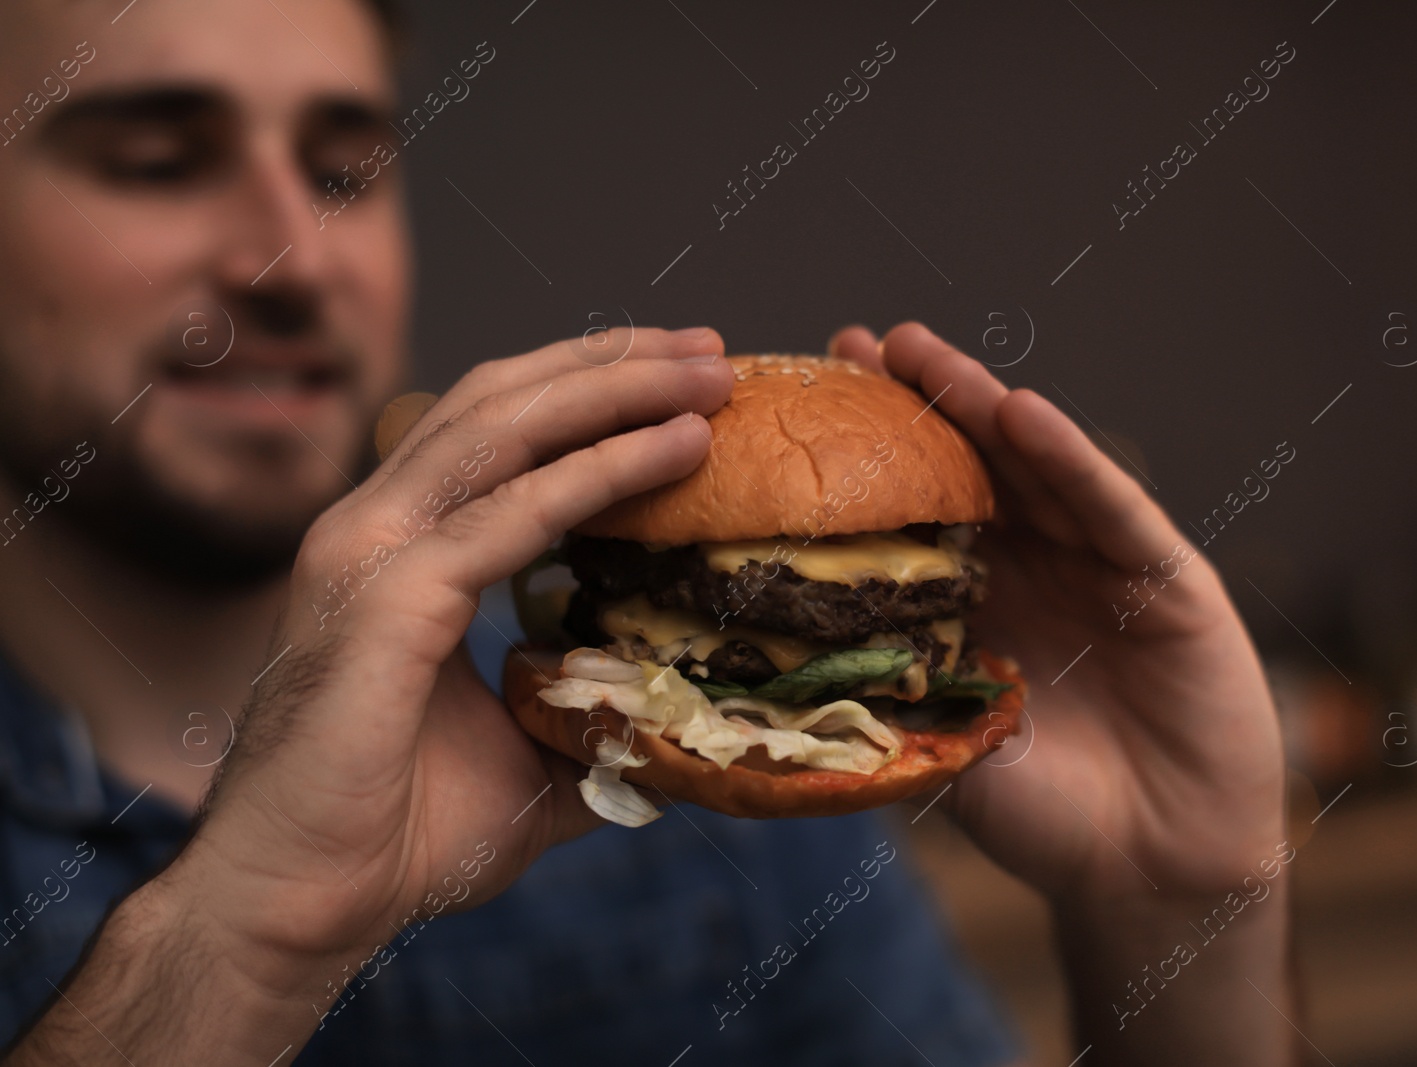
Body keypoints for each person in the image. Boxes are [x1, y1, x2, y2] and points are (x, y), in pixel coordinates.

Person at [0, 0, 1293, 1063]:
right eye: (157, 162)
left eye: (343, 173)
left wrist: (1181, 917)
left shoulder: (707, 780)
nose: (293, 258)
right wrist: (232, 951)